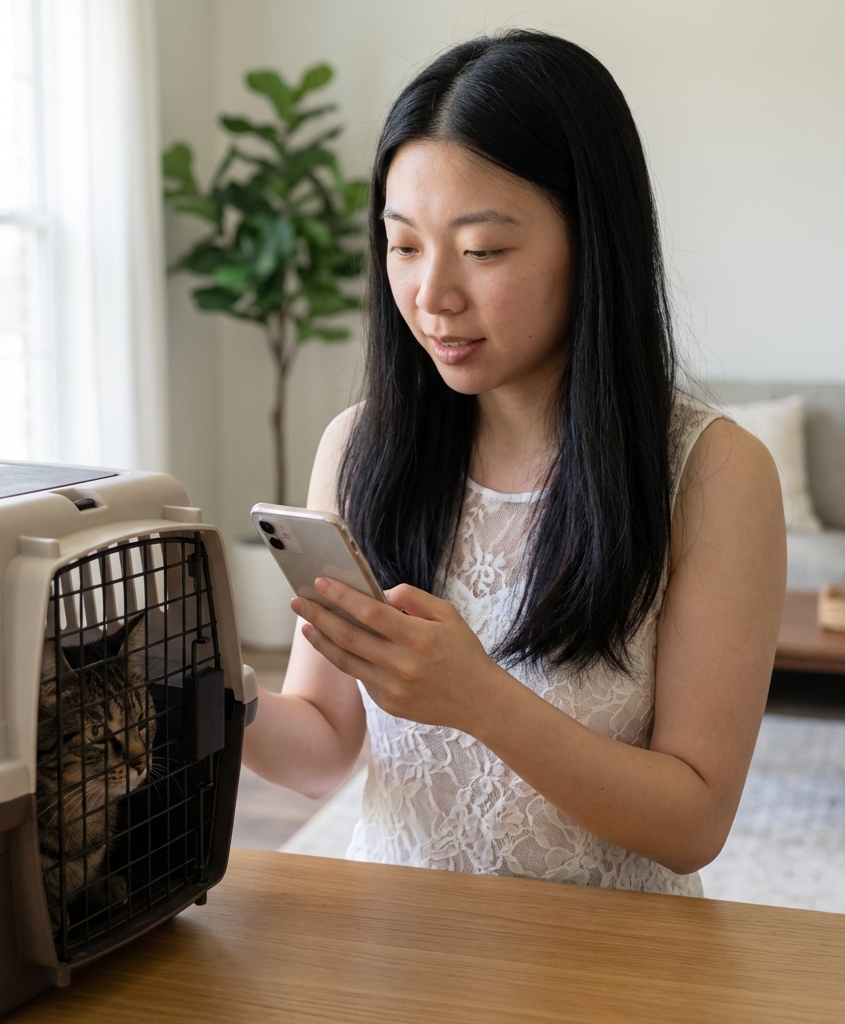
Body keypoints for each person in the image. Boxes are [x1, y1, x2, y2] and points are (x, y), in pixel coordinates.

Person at [240, 29, 785, 894]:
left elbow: (693, 824)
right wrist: (205, 687)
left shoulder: (715, 474)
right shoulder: (359, 448)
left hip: (603, 960)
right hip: (395, 947)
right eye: (404, 245)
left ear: (592, 240)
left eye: (484, 249)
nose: (432, 296)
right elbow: (319, 750)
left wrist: (479, 699)